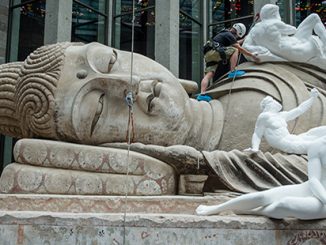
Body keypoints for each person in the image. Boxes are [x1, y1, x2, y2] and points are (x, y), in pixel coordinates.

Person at [196, 136, 326, 220]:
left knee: (285, 204)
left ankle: (256, 212)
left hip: (322, 205)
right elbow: (314, 180)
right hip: (309, 189)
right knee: (263, 197)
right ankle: (218, 208)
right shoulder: (318, 145)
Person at [245, 88, 326, 155]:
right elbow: (257, 134)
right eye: (273, 101)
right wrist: (255, 148)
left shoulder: (281, 115)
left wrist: (312, 98)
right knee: (315, 145)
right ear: (269, 105)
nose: (275, 102)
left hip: (292, 138)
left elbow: (299, 110)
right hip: (286, 144)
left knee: (316, 132)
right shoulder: (264, 116)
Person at [243, 4, 326, 69]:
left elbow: (245, 46)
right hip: (298, 51)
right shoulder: (274, 23)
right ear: (274, 14)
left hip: (288, 50)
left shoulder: (254, 29)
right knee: (314, 17)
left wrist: (261, 50)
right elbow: (293, 30)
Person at [198, 23, 260, 102]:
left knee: (209, 74)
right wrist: (251, 55)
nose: (236, 37)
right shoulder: (229, 34)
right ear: (237, 32)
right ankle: (233, 71)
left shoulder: (224, 33)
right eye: (237, 35)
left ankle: (202, 94)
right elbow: (238, 47)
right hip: (215, 52)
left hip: (209, 54)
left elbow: (235, 43)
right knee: (236, 50)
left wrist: (244, 39)